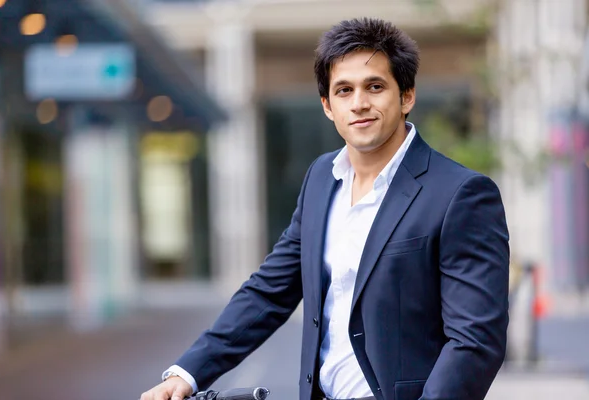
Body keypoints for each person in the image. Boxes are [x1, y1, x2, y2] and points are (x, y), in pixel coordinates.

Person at [140, 17, 510, 400]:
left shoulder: (461, 194)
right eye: (344, 90)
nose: (359, 104)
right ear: (327, 105)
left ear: (407, 96)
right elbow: (270, 290)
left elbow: (475, 342)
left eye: (375, 86)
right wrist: (187, 373)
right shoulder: (321, 179)